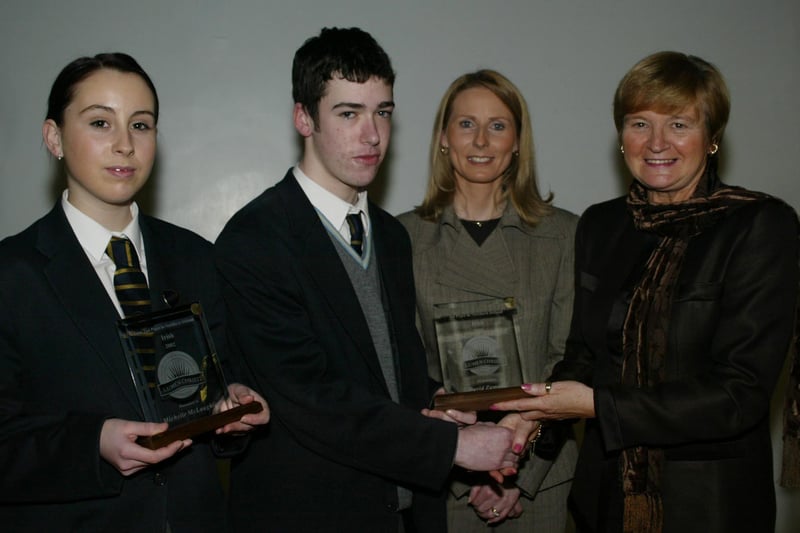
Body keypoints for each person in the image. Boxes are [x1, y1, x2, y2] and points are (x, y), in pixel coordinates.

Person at [215, 28, 516, 533]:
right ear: (303, 118)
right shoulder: (254, 240)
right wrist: (454, 446)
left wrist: (442, 406)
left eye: (383, 112)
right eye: (349, 113)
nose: (373, 134)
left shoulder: (392, 236)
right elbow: (310, 398)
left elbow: (386, 373)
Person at [493, 51, 799, 532]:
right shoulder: (600, 224)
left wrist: (597, 406)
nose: (657, 143)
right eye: (640, 123)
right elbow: (582, 357)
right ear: (621, 136)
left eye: (679, 124)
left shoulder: (760, 226)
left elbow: (738, 394)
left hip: (709, 505)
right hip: (603, 497)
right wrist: (530, 422)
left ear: (712, 137)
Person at [0, 52, 269, 532]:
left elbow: (224, 384)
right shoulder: (12, 274)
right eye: (101, 123)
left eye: (141, 126)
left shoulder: (196, 258)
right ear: (54, 137)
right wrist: (95, 443)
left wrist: (234, 408)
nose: (124, 144)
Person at [397, 69, 578, 530]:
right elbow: (404, 368)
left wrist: (521, 468)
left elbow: (570, 361)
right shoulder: (401, 237)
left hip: (540, 478)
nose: (480, 140)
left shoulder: (563, 235)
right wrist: (463, 458)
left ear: (518, 141)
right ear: (443, 137)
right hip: (444, 477)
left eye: (497, 125)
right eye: (465, 124)